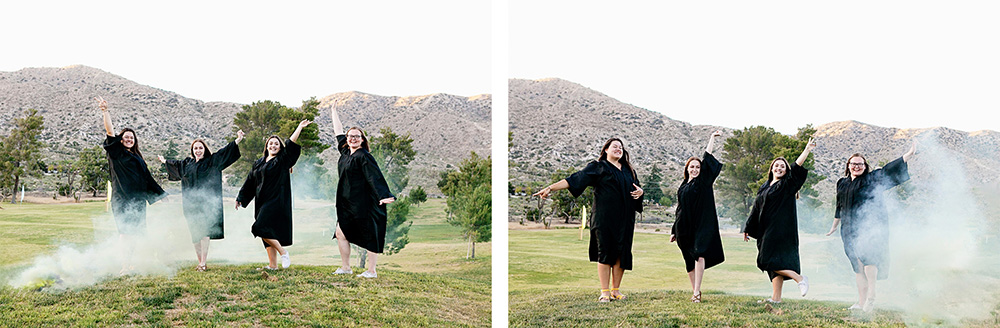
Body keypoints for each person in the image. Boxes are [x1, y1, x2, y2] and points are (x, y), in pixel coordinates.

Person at [533, 138, 644, 302]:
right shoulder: (598, 167)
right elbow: (575, 179)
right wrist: (550, 188)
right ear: (606, 149)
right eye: (614, 146)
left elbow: (637, 190)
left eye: (621, 147)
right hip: (604, 218)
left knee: (622, 253)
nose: (618, 149)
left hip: (625, 219)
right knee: (605, 252)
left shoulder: (629, 171)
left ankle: (616, 290)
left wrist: (641, 192)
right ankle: (605, 292)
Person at [825, 143, 915, 312]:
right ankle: (861, 302)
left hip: (869, 226)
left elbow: (888, 171)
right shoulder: (841, 183)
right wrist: (834, 227)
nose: (856, 166)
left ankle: (871, 297)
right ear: (848, 166)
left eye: (860, 164)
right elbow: (839, 206)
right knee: (857, 265)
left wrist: (908, 155)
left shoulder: (871, 179)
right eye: (853, 163)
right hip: (848, 229)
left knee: (868, 258)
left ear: (865, 166)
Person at [96, 96, 167, 275]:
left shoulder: (138, 158)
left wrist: (161, 195)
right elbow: (110, 132)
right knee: (125, 234)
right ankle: (124, 266)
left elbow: (148, 179)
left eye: (131, 138)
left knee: (135, 234)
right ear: (120, 140)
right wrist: (105, 112)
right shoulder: (117, 154)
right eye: (125, 137)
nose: (128, 139)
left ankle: (130, 263)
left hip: (137, 201)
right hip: (122, 199)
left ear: (135, 141)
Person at [742, 138, 816, 304]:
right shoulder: (765, 186)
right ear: (772, 168)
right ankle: (776, 298)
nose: (779, 168)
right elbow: (756, 208)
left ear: (785, 170)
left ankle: (800, 278)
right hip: (766, 229)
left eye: (783, 166)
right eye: (776, 165)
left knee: (766, 260)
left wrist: (806, 151)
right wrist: (747, 227)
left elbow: (796, 168)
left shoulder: (786, 185)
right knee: (773, 264)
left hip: (780, 229)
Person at [159, 130, 244, 272]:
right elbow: (176, 164)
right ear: (192, 151)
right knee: (195, 235)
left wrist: (238, 140)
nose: (198, 150)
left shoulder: (212, 161)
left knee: (204, 232)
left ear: (205, 149)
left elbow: (224, 152)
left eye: (200, 147)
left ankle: (203, 262)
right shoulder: (187, 163)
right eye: (195, 148)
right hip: (190, 204)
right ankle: (200, 262)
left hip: (206, 204)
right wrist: (164, 161)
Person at [235, 120, 312, 270]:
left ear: (280, 147)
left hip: (276, 200)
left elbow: (291, 143)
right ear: (267, 146)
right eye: (271, 144)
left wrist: (299, 128)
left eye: (276, 144)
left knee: (259, 227)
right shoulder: (259, 162)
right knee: (267, 231)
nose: (273, 146)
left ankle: (283, 253)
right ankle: (273, 265)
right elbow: (250, 181)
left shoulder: (282, 160)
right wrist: (241, 198)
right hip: (261, 200)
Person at [328, 107, 395, 278]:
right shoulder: (344, 151)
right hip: (347, 202)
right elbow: (338, 131)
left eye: (357, 136)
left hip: (364, 202)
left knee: (370, 234)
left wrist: (384, 195)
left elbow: (375, 177)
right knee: (340, 232)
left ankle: (371, 271)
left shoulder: (364, 156)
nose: (352, 139)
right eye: (350, 136)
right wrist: (334, 111)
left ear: (362, 139)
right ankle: (346, 267)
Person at [670, 130, 725, 303]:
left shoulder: (703, 182)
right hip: (683, 227)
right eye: (691, 167)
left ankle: (697, 292)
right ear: (687, 169)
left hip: (701, 225)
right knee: (688, 260)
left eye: (697, 167)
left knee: (699, 254)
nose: (695, 169)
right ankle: (695, 291)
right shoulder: (684, 185)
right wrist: (673, 230)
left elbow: (707, 158)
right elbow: (680, 208)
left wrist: (711, 138)